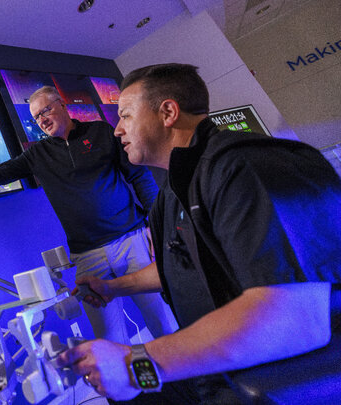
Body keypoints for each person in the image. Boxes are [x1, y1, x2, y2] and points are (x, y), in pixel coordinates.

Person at [58, 63, 341, 403]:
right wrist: (113, 287)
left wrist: (137, 363)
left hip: (285, 376)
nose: (117, 130)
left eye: (126, 116)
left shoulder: (244, 166)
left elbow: (295, 317)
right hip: (219, 373)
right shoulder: (171, 193)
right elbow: (181, 266)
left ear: (167, 112)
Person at [0, 85, 178, 344]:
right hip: (88, 255)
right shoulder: (38, 154)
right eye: (37, 116)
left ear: (62, 104)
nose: (42, 120)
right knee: (108, 337)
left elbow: (139, 176)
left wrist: (156, 226)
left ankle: (187, 380)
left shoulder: (101, 132)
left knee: (161, 319)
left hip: (131, 241)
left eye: (46, 110)